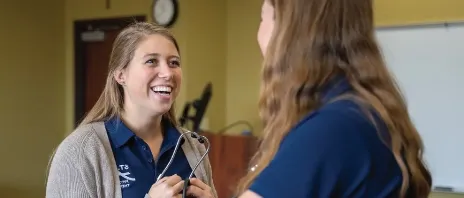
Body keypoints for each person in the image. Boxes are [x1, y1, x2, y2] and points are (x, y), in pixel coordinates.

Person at [235, 0, 432, 198]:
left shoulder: (331, 129)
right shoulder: (362, 114)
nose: (258, 34)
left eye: (263, 18)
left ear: (285, 30)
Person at [46, 22, 217, 198]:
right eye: (151, 61)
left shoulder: (193, 147)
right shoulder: (80, 152)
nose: (168, 73)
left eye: (174, 63)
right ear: (121, 75)